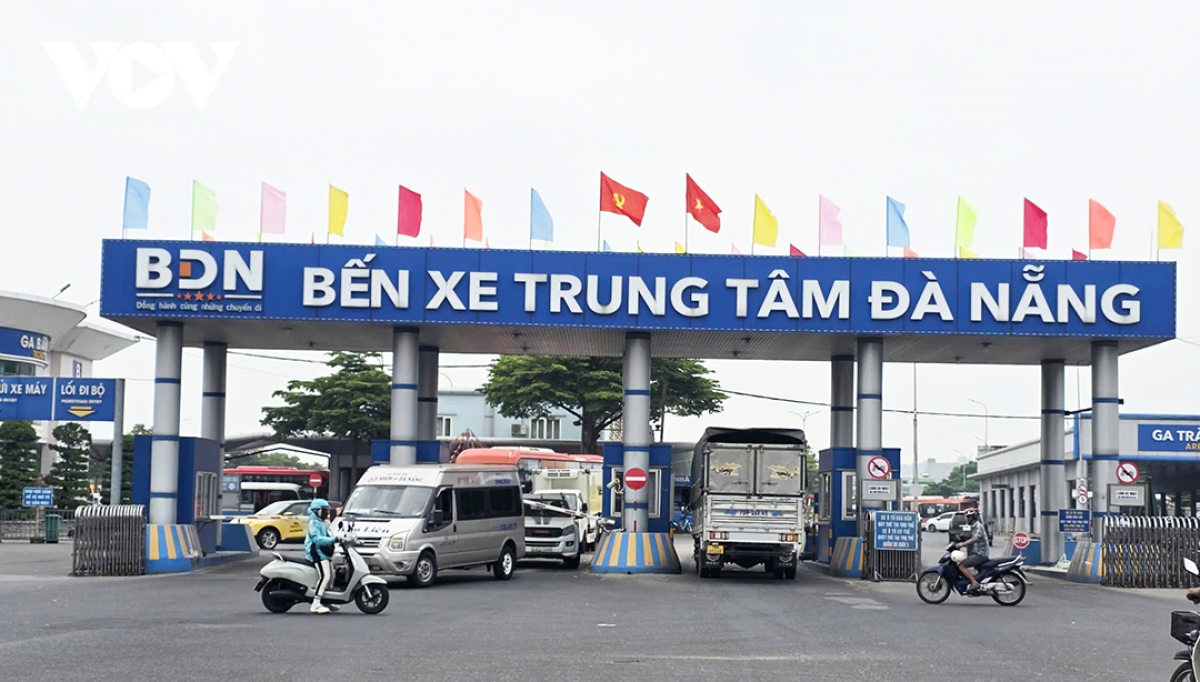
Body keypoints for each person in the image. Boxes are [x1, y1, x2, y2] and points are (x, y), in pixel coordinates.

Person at [305, 498, 339, 614]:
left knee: (332, 577)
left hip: (324, 553)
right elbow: (317, 539)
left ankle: (326, 601)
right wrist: (334, 539)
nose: (327, 513)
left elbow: (328, 535)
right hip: (317, 553)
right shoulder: (313, 523)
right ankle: (316, 603)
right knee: (325, 576)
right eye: (324, 510)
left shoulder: (322, 523)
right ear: (316, 511)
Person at [955, 508, 989, 592]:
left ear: (972, 518)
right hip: (976, 553)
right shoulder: (973, 527)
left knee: (961, 565)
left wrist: (962, 544)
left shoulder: (978, 526)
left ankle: (974, 583)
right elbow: (968, 537)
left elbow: (976, 538)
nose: (966, 519)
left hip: (980, 554)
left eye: (967, 517)